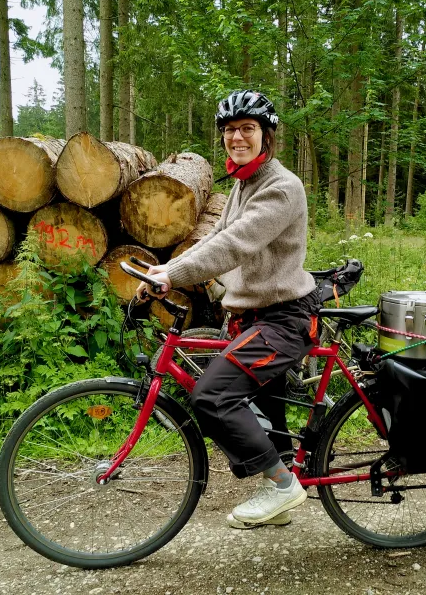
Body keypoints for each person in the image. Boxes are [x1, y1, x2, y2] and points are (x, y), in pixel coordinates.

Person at [136, 89, 320, 529]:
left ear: (267, 136)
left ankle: (281, 485)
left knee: (213, 396)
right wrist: (166, 271)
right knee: (258, 405)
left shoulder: (281, 188)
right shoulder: (243, 183)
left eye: (247, 129)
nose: (237, 137)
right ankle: (283, 484)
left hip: (284, 318)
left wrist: (172, 275)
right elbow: (213, 238)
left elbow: (234, 245)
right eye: (230, 130)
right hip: (253, 317)